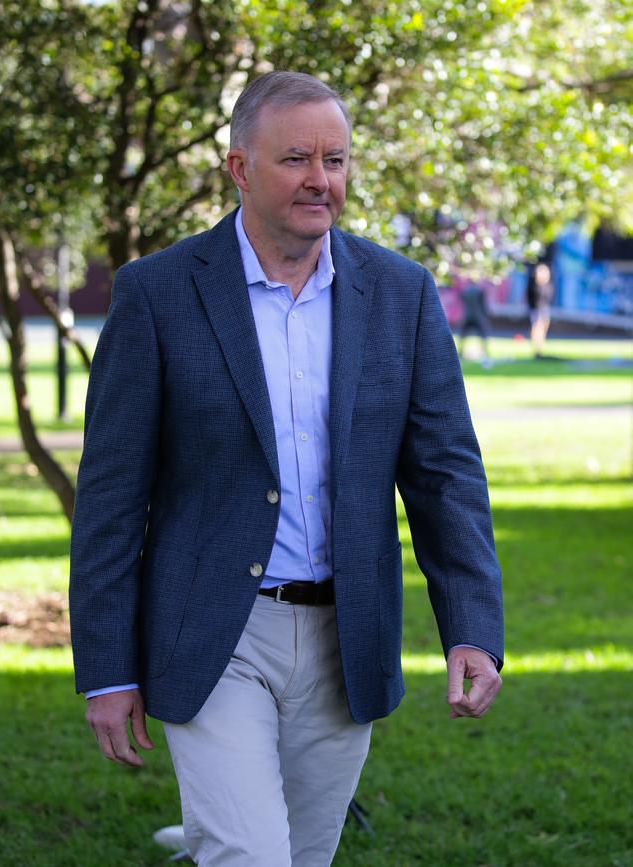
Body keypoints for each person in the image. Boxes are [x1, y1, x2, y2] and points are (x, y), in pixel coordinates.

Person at [69, 71, 504, 867]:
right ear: (239, 168)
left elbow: (446, 476)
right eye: (296, 158)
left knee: (305, 855)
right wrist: (105, 668)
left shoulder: (400, 294)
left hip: (351, 634)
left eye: (335, 159)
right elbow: (109, 496)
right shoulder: (157, 294)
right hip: (214, 631)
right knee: (251, 854)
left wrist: (471, 626)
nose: (320, 179)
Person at [458, 279, 491, 362]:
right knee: (483, 336)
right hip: (477, 316)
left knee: (463, 336)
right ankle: (485, 353)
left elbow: (463, 301)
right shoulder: (479, 291)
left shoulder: (465, 291)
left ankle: (460, 352)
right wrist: (485, 316)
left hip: (467, 315)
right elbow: (482, 305)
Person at [526, 260, 554, 357]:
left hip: (545, 309)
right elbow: (531, 298)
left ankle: (540, 346)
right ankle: (536, 347)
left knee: (543, 328)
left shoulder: (548, 285)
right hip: (536, 309)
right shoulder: (533, 286)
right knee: (537, 328)